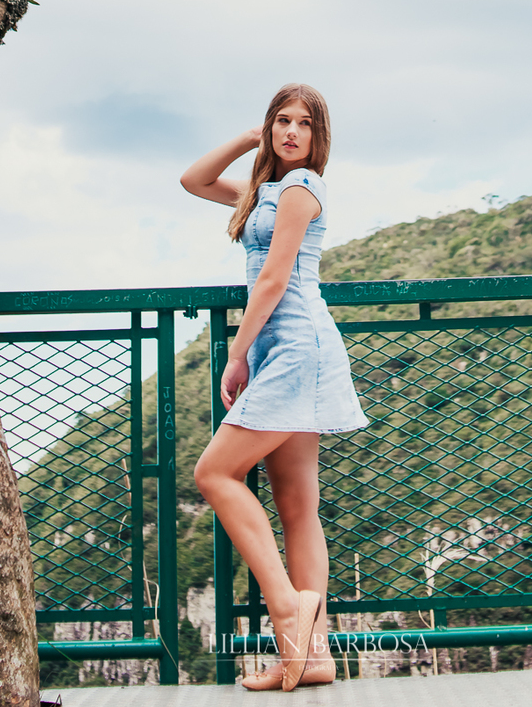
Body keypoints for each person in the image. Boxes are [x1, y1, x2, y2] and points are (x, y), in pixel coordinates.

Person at [183, 84, 368, 691]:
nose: (292, 133)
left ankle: (287, 606)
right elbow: (194, 180)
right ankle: (311, 656)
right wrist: (246, 141)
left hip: (293, 348)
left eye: (304, 125)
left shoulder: (300, 189)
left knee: (214, 474)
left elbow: (272, 281)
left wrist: (237, 357)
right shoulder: (265, 191)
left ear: (319, 138)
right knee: (296, 507)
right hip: (282, 351)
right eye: (281, 122)